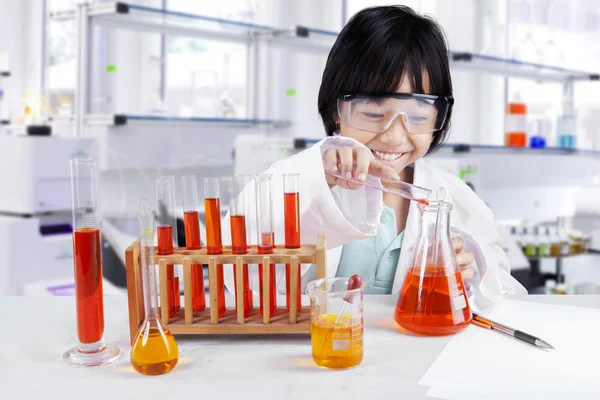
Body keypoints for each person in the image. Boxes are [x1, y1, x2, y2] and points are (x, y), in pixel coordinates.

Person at [223, 5, 525, 311]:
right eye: (372, 113)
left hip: (415, 355)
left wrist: (469, 276)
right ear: (335, 109)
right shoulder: (295, 179)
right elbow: (238, 277)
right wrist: (316, 183)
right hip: (320, 353)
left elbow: (503, 292)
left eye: (418, 117)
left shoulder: (454, 198)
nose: (394, 137)